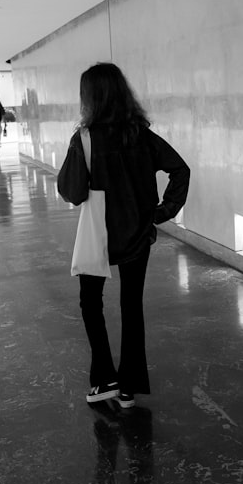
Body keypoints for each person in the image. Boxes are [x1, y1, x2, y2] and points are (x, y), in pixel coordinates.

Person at [58, 63, 189, 409]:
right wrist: (161, 212)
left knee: (91, 303)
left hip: (97, 234)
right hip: (137, 233)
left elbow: (72, 192)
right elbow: (180, 169)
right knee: (132, 306)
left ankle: (105, 379)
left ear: (90, 98)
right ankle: (129, 386)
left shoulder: (84, 139)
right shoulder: (141, 135)